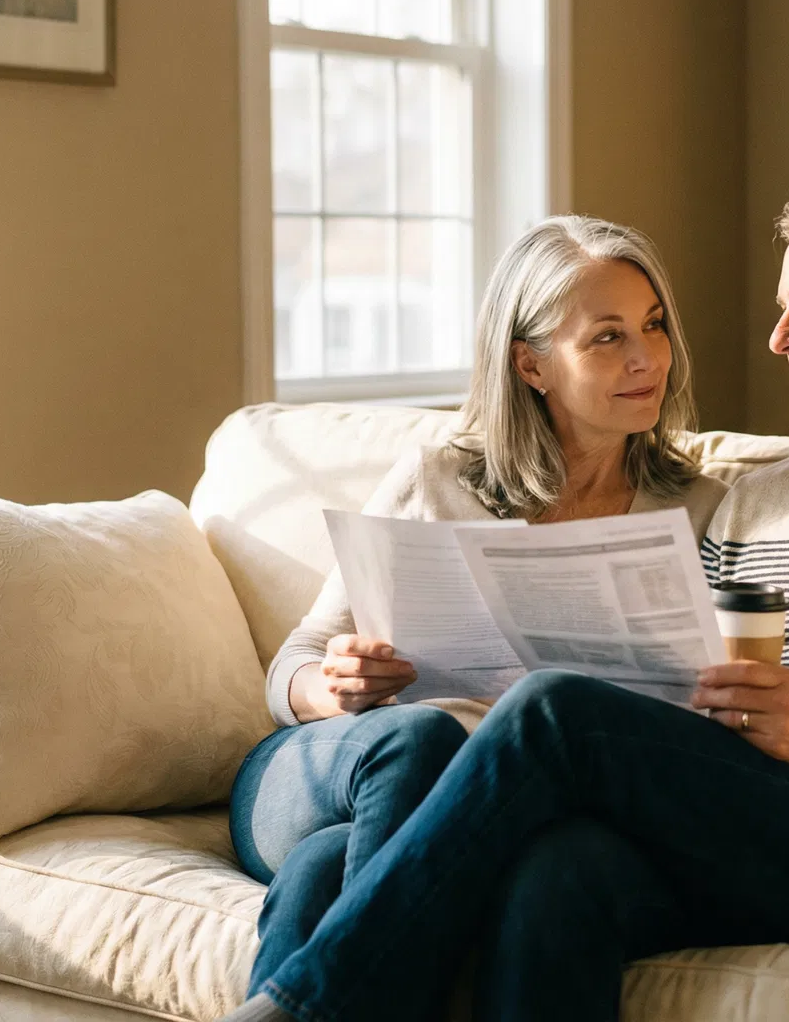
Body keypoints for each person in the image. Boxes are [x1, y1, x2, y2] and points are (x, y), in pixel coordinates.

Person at [222, 183, 789, 1022]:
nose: (778, 337)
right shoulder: (763, 496)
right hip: (758, 815)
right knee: (555, 873)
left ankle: (309, 1009)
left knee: (561, 709)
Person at [226, 215, 729, 1003]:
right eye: (606, 337)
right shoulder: (439, 477)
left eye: (654, 325)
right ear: (530, 365)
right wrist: (335, 685)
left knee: (325, 871)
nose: (646, 358)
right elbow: (289, 667)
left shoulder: (696, 508)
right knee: (418, 736)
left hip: (498, 807)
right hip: (342, 765)